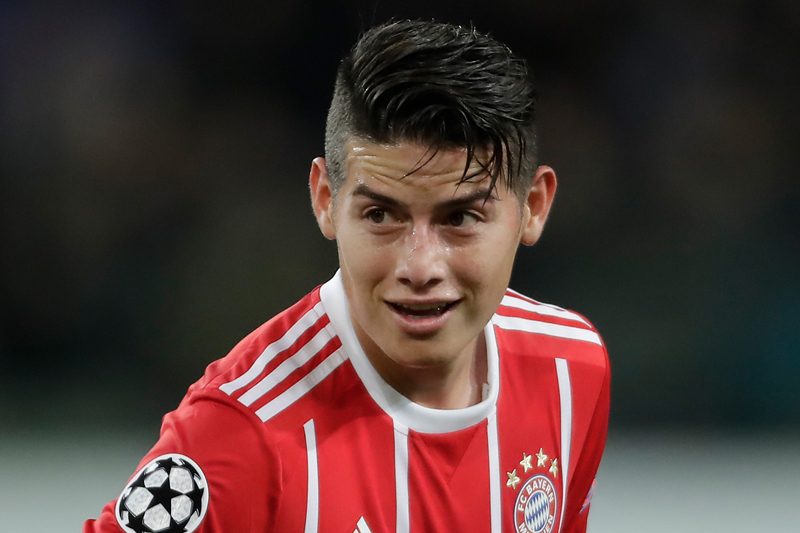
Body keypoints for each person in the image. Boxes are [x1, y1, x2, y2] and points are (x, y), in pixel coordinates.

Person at [85, 19, 610, 533]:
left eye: (461, 218)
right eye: (381, 215)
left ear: (534, 207)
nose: (419, 267)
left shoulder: (571, 370)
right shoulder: (242, 433)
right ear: (325, 200)